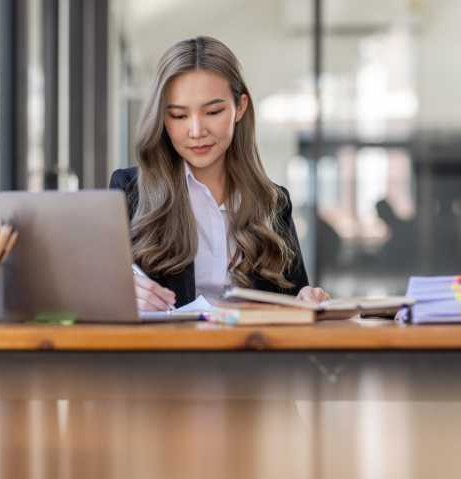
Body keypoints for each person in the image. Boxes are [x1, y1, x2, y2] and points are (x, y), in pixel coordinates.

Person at [110, 36, 330, 311]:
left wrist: (308, 300)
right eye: (178, 115)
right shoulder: (129, 191)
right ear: (162, 119)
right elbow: (91, 294)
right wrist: (117, 292)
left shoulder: (274, 201)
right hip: (166, 352)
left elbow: (294, 303)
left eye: (213, 111)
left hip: (252, 351)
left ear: (240, 107)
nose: (196, 130)